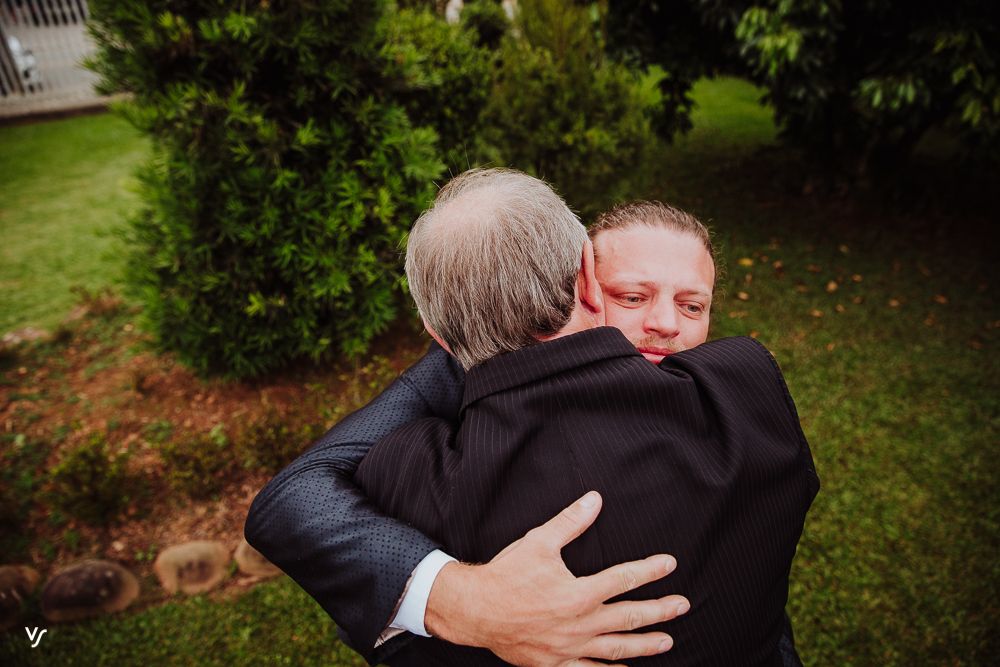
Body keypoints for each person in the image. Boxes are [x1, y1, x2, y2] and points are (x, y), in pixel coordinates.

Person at [244, 174, 816, 665]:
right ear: (586, 285)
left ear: (438, 337)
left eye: (693, 305)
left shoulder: (405, 465)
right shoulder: (751, 386)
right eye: (632, 297)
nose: (666, 324)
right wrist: (461, 600)